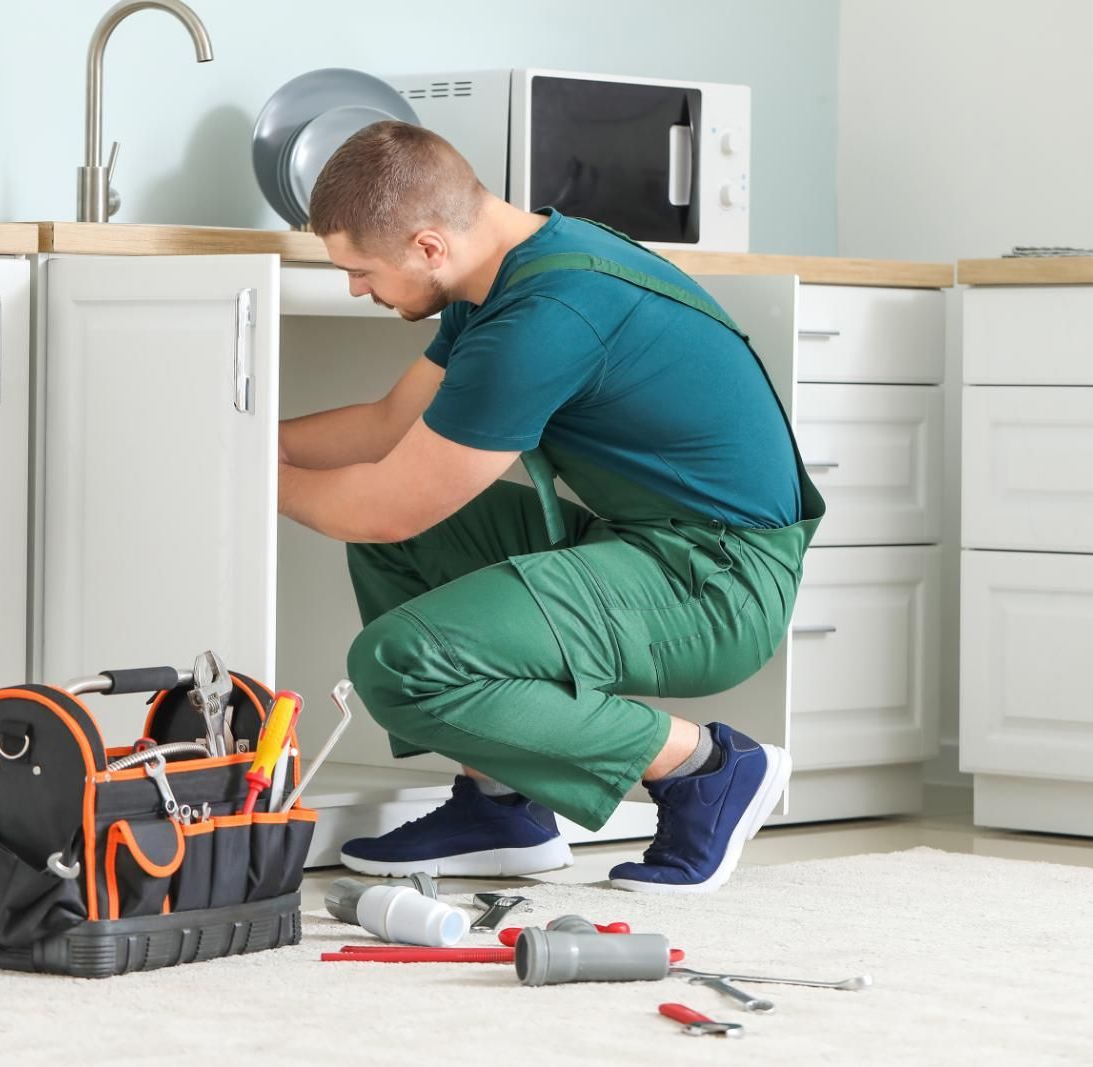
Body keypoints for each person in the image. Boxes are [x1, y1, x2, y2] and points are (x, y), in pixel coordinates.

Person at [277, 121, 824, 893]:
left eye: (360, 271)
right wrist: (254, 444)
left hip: (716, 582)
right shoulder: (508, 270)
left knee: (399, 663)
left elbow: (384, 507)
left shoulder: (545, 316)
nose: (355, 290)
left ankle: (705, 768)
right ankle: (501, 807)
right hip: (652, 542)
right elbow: (387, 425)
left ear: (428, 246)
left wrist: (258, 482)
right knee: (403, 543)